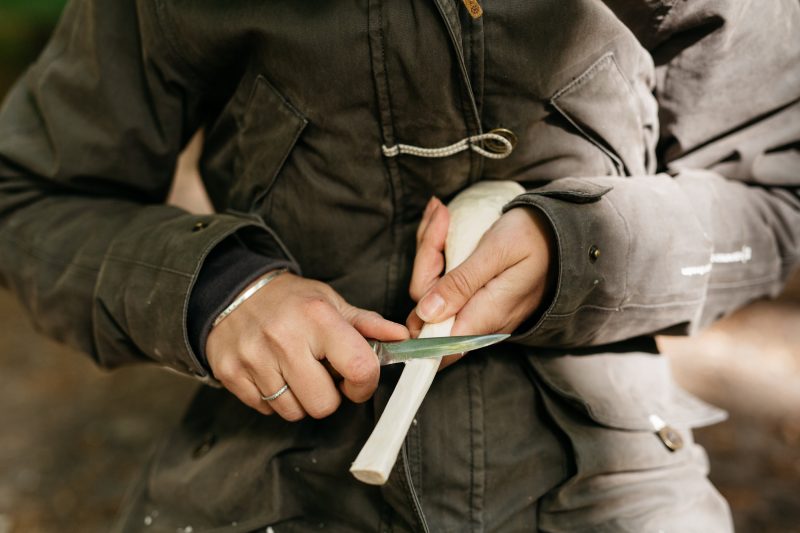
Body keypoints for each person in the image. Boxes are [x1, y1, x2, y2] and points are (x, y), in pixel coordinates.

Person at [0, 0, 797, 531]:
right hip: (270, 488)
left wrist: (582, 248)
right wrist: (218, 292)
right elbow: (28, 195)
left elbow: (776, 195)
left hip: (609, 492)